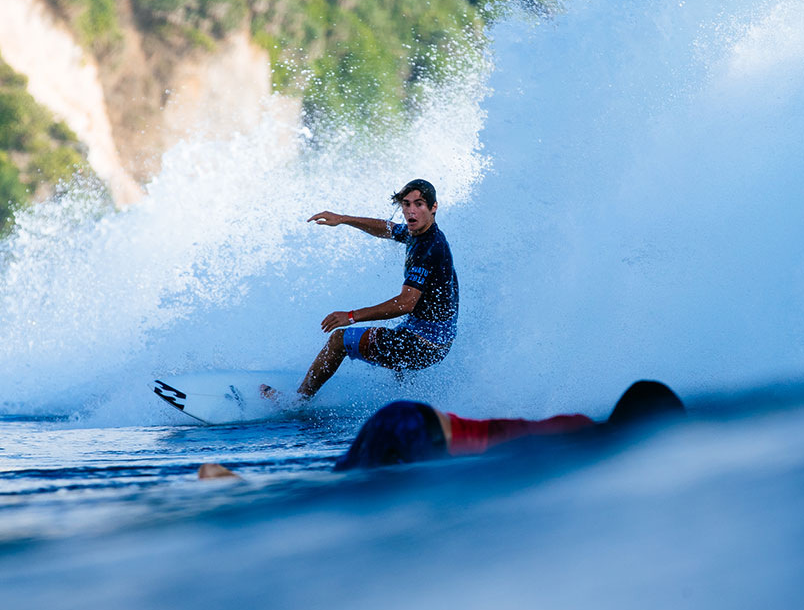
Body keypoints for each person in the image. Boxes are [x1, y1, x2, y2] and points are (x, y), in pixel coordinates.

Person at [200, 380, 686, 479]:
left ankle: (228, 482)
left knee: (334, 489)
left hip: (409, 420)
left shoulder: (583, 431)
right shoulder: (587, 444)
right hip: (420, 433)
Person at [266, 179, 459, 402]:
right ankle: (408, 404)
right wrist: (344, 219)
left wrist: (351, 316)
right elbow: (387, 228)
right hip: (433, 337)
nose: (411, 211)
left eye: (419, 204)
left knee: (339, 340)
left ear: (433, 207)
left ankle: (296, 402)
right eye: (406, 204)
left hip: (426, 344)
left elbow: (406, 303)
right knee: (397, 356)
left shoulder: (429, 248)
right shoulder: (417, 232)